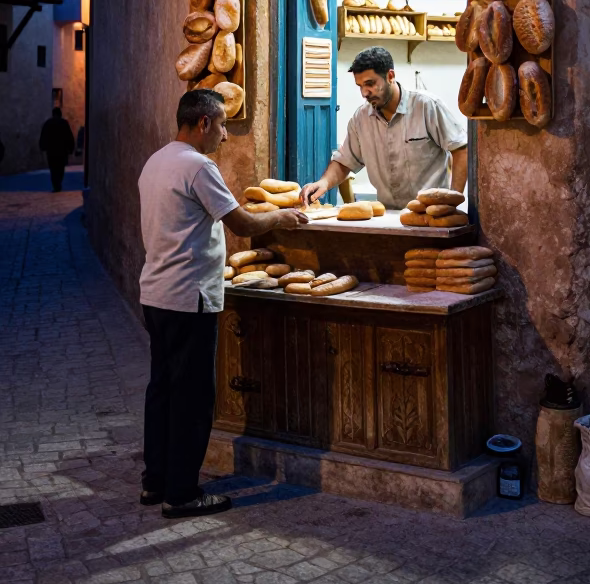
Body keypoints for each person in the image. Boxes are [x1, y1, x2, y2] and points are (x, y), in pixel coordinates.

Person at [138, 88, 308, 519]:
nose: (226, 136)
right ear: (203, 124)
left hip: (155, 295)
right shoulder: (198, 166)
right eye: (223, 125)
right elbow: (242, 221)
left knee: (162, 390)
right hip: (188, 296)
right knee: (193, 399)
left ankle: (155, 482)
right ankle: (183, 494)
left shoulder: (156, 161)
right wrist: (281, 217)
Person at [301, 46, 468, 211]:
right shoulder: (361, 119)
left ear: (390, 76)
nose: (364, 93)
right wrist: (323, 183)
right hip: (389, 218)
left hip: (431, 215)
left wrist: (452, 199)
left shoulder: (426, 107)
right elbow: (345, 162)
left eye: (370, 84)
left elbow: (461, 149)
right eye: (360, 86)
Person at [39, 107, 75, 192]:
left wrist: (42, 146)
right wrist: (71, 148)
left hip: (51, 151)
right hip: (62, 151)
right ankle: (58, 183)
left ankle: (56, 185)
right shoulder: (64, 123)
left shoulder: (48, 123)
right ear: (60, 114)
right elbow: (69, 136)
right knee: (60, 168)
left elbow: (43, 136)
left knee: (53, 169)